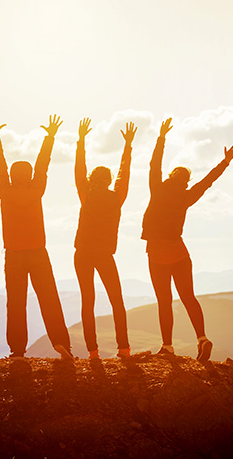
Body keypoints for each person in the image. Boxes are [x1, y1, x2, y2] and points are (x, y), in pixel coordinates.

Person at [141, 118, 233, 361]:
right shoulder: (187, 195)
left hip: (157, 253)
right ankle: (202, 339)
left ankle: (167, 347)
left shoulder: (157, 188)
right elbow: (208, 181)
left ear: (172, 175)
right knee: (188, 297)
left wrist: (161, 138)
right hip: (180, 252)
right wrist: (225, 162)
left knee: (164, 301)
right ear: (185, 180)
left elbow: (155, 165)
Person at [0, 112, 74, 360]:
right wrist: (50, 137)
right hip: (38, 252)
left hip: (13, 255)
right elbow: (43, 165)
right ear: (29, 175)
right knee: (49, 298)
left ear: (13, 175)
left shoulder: (4, 191)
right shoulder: (36, 190)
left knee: (15, 302)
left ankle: (17, 350)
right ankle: (60, 343)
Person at [74, 118, 136, 360]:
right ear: (109, 180)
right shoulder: (117, 196)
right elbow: (125, 173)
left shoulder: (86, 194)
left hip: (82, 253)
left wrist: (81, 141)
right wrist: (127, 147)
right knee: (116, 301)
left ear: (92, 178)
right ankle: (124, 349)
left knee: (87, 301)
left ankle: (93, 353)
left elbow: (79, 170)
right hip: (104, 254)